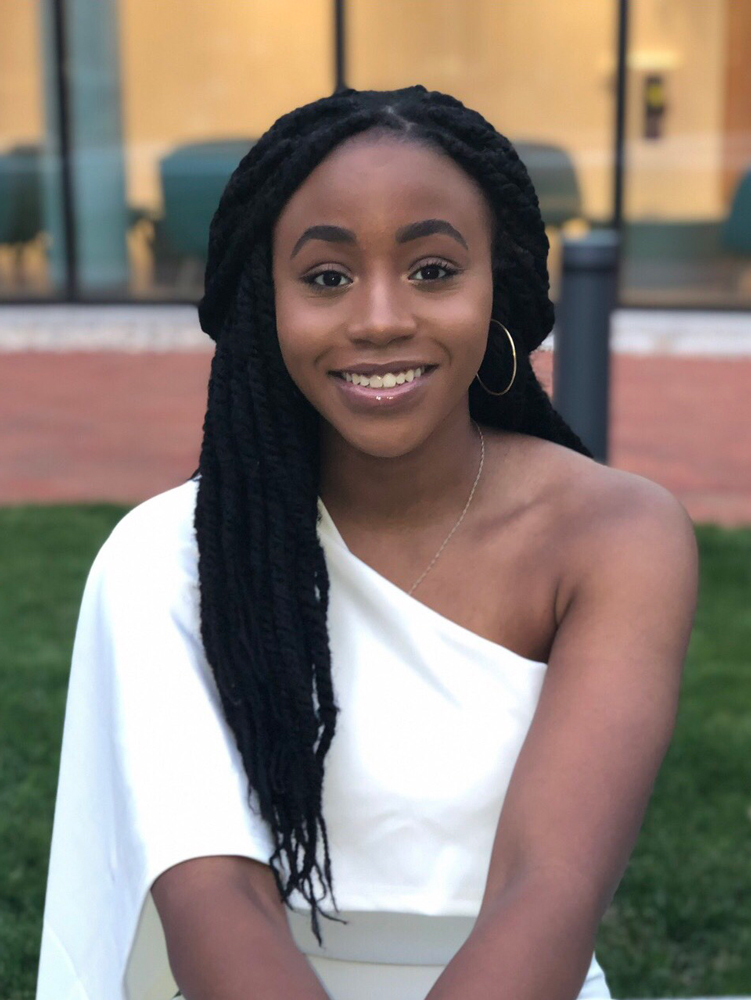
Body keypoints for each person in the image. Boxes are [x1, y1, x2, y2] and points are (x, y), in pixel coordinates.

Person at [36, 85, 698, 1000]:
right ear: (264, 305)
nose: (381, 317)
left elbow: (548, 889)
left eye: (432, 269)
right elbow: (218, 901)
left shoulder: (615, 536)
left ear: (496, 285)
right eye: (326, 278)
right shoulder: (163, 559)